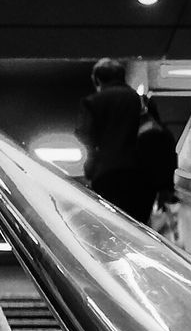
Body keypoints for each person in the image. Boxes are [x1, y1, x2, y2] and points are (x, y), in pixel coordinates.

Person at [75, 57, 151, 222]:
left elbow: (84, 133)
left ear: (98, 79)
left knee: (110, 219)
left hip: (106, 170)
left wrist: (91, 162)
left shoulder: (93, 102)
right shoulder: (136, 99)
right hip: (135, 170)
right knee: (133, 220)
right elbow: (147, 130)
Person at [138, 96, 180, 242]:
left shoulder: (145, 133)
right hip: (163, 186)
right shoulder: (163, 131)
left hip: (149, 187)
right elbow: (171, 160)